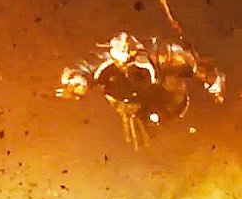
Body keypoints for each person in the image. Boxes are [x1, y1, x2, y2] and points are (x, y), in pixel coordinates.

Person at [56, 32, 225, 150]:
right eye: (121, 62)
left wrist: (210, 78)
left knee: (179, 131)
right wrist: (75, 78)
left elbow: (188, 58)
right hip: (133, 110)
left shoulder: (157, 52)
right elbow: (84, 66)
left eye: (130, 61)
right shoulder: (105, 63)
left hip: (167, 101)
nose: (126, 66)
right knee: (140, 142)